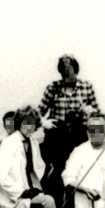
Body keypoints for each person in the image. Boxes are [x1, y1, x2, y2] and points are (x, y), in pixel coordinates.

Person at [39, 55, 100, 197]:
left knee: (80, 168)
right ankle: (56, 205)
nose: (68, 76)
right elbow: (37, 113)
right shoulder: (53, 88)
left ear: (76, 71)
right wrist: (44, 122)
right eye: (64, 73)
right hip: (58, 137)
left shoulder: (86, 87)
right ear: (61, 73)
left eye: (71, 72)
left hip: (79, 134)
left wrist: (90, 113)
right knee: (60, 170)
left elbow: (97, 115)